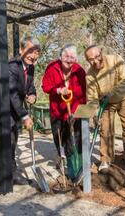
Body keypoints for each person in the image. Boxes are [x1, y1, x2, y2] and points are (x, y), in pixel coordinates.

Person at [85, 45, 125, 171]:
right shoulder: (90, 75)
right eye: (91, 59)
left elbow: (124, 81)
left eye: (97, 56)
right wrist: (94, 114)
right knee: (105, 130)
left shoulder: (115, 60)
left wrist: (110, 93)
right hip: (106, 103)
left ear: (101, 52)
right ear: (88, 61)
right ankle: (106, 159)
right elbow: (91, 98)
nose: (96, 61)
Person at [42, 44, 86, 174]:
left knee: (74, 138)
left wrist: (78, 112)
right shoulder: (52, 67)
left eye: (72, 57)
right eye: (66, 56)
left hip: (74, 111)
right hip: (57, 110)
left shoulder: (80, 71)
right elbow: (45, 86)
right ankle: (61, 155)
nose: (69, 59)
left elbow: (84, 93)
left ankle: (74, 165)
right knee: (58, 136)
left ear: (76, 59)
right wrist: (58, 90)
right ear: (60, 57)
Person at [8, 35, 40, 185]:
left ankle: (10, 172)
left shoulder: (31, 67)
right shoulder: (12, 66)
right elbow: (12, 93)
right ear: (21, 50)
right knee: (9, 141)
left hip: (14, 109)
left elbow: (29, 85)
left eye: (36, 52)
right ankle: (10, 175)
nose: (33, 56)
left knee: (13, 140)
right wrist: (25, 116)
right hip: (1, 107)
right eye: (30, 51)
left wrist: (32, 94)